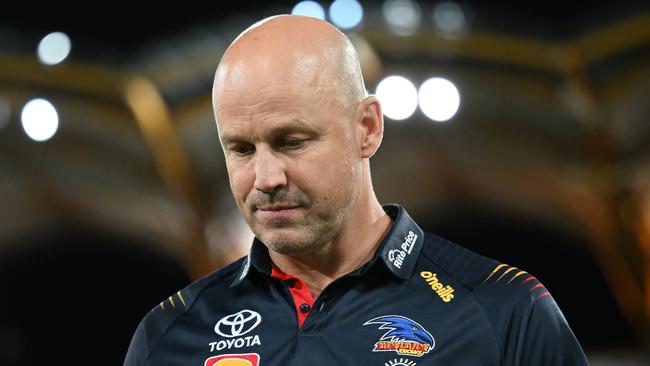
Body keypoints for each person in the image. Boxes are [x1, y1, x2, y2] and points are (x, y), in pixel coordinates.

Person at [124, 15, 589, 366]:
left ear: (367, 127)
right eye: (241, 149)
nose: (266, 178)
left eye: (291, 141)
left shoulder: (504, 313)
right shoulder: (169, 335)